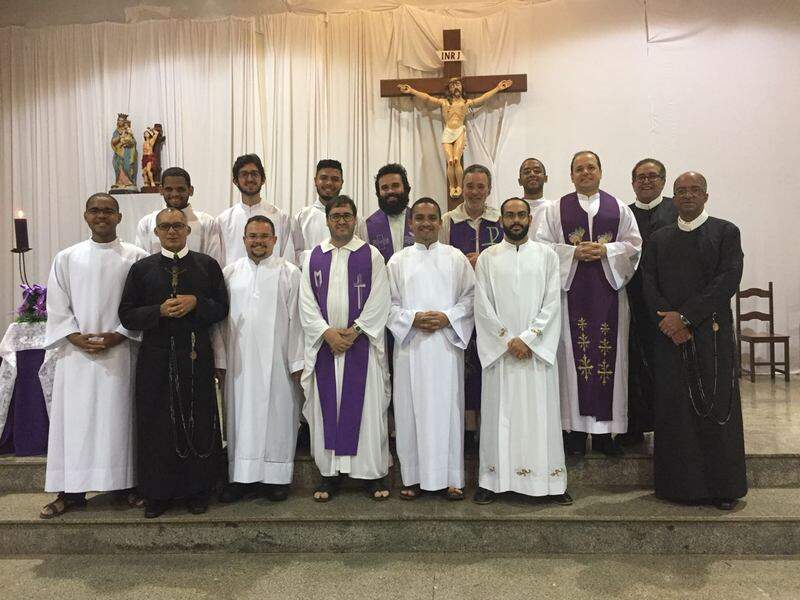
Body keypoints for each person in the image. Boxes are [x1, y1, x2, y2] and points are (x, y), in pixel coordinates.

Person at [39, 193, 148, 519]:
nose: (102, 216)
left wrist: (120, 334)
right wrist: (74, 336)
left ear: (119, 217)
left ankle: (126, 485)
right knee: (76, 424)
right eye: (95, 210)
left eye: (108, 211)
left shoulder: (137, 258)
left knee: (120, 421)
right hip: (77, 355)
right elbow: (57, 305)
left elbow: (142, 305)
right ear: (86, 215)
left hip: (121, 352)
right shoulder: (67, 257)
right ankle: (70, 491)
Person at [643, 171, 746, 511]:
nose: (687, 195)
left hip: (710, 337)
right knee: (675, 411)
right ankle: (677, 486)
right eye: (681, 191)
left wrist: (685, 317)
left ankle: (722, 487)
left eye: (694, 190)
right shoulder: (659, 238)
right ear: (673, 198)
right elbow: (649, 282)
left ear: (705, 195)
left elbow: (727, 280)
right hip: (669, 337)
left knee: (714, 409)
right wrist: (669, 322)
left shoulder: (725, 232)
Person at [119, 207, 228, 518]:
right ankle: (157, 494)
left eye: (178, 226)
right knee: (156, 424)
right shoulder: (142, 269)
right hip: (156, 358)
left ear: (188, 230)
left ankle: (198, 491)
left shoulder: (207, 266)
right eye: (165, 227)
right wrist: (158, 311)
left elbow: (222, 308)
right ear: (156, 232)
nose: (172, 231)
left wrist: (196, 302)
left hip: (195, 356)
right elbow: (126, 315)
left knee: (199, 420)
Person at [537, 151, 642, 457]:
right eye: (579, 169)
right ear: (571, 175)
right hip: (569, 296)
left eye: (591, 167)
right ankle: (574, 431)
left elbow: (635, 246)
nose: (585, 173)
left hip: (609, 297)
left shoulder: (619, 208)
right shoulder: (555, 209)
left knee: (611, 357)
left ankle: (605, 435)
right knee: (571, 358)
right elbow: (541, 248)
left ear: (600, 171)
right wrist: (572, 253)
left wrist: (607, 251)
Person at [472, 198, 570, 505]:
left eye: (521, 215)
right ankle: (492, 481)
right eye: (510, 215)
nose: (516, 220)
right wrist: (507, 340)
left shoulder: (547, 256)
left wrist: (529, 339)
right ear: (501, 219)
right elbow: (482, 306)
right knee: (498, 417)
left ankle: (550, 483)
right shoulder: (488, 258)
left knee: (540, 418)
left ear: (530, 219)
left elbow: (552, 303)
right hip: (501, 355)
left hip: (536, 354)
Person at [299, 196, 391, 502]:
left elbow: (380, 297)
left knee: (367, 411)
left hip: (361, 345)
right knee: (327, 410)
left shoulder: (371, 255)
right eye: (336, 215)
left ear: (355, 219)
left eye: (346, 215)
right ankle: (330, 475)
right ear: (327, 220)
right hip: (326, 347)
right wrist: (326, 333)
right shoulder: (314, 256)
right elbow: (306, 302)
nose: (341, 221)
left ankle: (371, 474)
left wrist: (356, 331)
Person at [386, 198, 474, 501]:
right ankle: (412, 477)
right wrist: (412, 318)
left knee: (448, 411)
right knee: (409, 412)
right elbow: (387, 304)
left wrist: (448, 317)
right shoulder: (397, 261)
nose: (425, 223)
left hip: (445, 347)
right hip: (411, 348)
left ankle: (452, 478)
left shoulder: (455, 258)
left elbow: (470, 298)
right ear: (411, 223)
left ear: (440, 222)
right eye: (420, 218)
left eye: (431, 218)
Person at [214, 215, 303, 503]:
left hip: (279, 362)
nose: (258, 241)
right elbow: (219, 324)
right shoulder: (229, 273)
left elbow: (298, 321)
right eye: (253, 236)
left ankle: (276, 478)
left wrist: (297, 362)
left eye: (264, 236)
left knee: (279, 416)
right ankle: (241, 478)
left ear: (275, 240)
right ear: (244, 240)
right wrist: (220, 360)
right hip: (239, 363)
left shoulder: (290, 273)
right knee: (240, 418)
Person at [440, 164, 504, 435]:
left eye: (480, 186)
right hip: (460, 301)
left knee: (489, 359)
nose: (475, 192)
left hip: (494, 301)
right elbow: (440, 258)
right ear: (462, 188)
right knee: (465, 363)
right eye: (470, 186)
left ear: (489, 189)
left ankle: (488, 425)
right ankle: (466, 427)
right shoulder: (448, 221)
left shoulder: (500, 219)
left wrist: (486, 260)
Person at [620, 158, 678, 446]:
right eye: (640, 177)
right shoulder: (624, 215)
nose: (646, 181)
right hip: (632, 302)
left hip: (669, 305)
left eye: (652, 176)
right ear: (632, 183)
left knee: (667, 367)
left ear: (663, 181)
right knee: (632, 365)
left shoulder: (677, 211)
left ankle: (669, 428)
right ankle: (635, 426)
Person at [397, 78, 512, 198]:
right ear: (449, 90)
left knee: (456, 159)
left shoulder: (466, 103)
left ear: (461, 87)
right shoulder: (444, 103)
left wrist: (498, 88)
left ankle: (460, 186)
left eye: (457, 84)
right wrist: (411, 91)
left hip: (459, 131)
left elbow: (483, 98)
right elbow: (427, 98)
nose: (455, 87)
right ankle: (452, 186)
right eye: (452, 86)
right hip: (448, 131)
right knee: (450, 161)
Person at [217, 154, 295, 267]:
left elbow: (288, 261)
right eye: (244, 174)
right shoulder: (223, 220)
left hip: (272, 276)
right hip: (233, 278)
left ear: (263, 179)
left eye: (254, 174)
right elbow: (219, 262)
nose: (250, 179)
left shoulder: (280, 217)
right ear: (235, 181)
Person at [135, 167, 222, 264]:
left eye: (180, 189)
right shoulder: (147, 223)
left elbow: (214, 262)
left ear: (190, 190)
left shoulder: (206, 222)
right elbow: (142, 263)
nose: (175, 194)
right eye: (169, 189)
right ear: (161, 190)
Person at [293, 159, 362, 267]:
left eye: (335, 179)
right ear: (315, 181)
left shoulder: (356, 219)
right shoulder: (301, 217)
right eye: (324, 178)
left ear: (342, 183)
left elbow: (363, 253)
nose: (329, 183)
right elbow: (295, 256)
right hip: (312, 275)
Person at [358, 163, 415, 263]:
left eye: (395, 186)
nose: (390, 191)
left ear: (407, 189)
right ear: (378, 193)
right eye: (385, 188)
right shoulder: (367, 226)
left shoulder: (419, 220)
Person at [518, 157, 551, 236]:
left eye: (537, 171)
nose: (532, 174)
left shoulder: (554, 209)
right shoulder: (512, 210)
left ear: (546, 178)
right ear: (520, 181)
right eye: (527, 172)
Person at [111, 114, 138, 190]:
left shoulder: (128, 131)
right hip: (118, 152)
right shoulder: (116, 132)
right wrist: (120, 137)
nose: (119, 121)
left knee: (127, 166)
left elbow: (133, 142)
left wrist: (128, 142)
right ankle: (119, 182)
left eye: (121, 120)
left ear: (124, 122)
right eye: (118, 120)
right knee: (118, 166)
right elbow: (113, 141)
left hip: (127, 152)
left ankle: (128, 182)